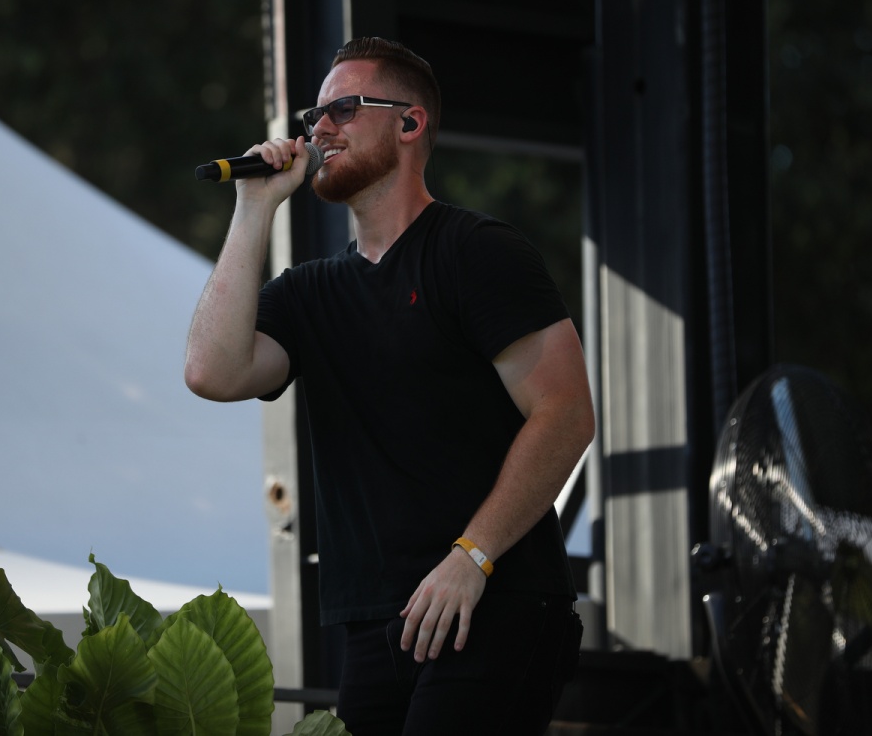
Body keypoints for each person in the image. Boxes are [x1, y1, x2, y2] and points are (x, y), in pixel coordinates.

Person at [184, 37, 594, 735]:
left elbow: (566, 413)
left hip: (493, 600)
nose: (319, 128)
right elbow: (210, 372)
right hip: (376, 623)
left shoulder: (477, 252)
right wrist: (254, 207)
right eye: (313, 115)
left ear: (409, 123)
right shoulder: (309, 293)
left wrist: (472, 557)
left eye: (343, 108)